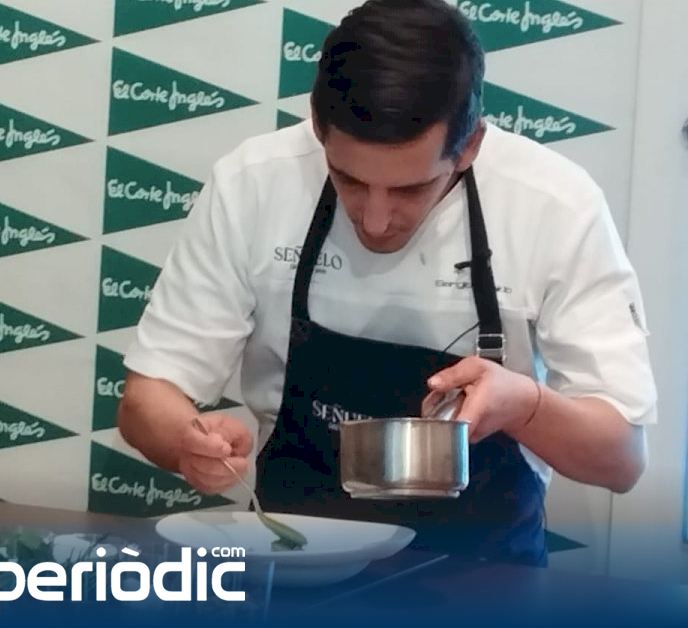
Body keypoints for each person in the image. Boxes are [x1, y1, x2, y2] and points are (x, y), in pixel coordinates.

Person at [116, 0, 656, 567]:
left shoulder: (555, 205)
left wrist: (523, 405)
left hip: (484, 580)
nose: (374, 222)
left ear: (469, 146)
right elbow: (146, 400)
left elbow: (620, 460)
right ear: (319, 128)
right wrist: (187, 442)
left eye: (409, 190)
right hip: (295, 568)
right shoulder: (252, 183)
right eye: (348, 179)